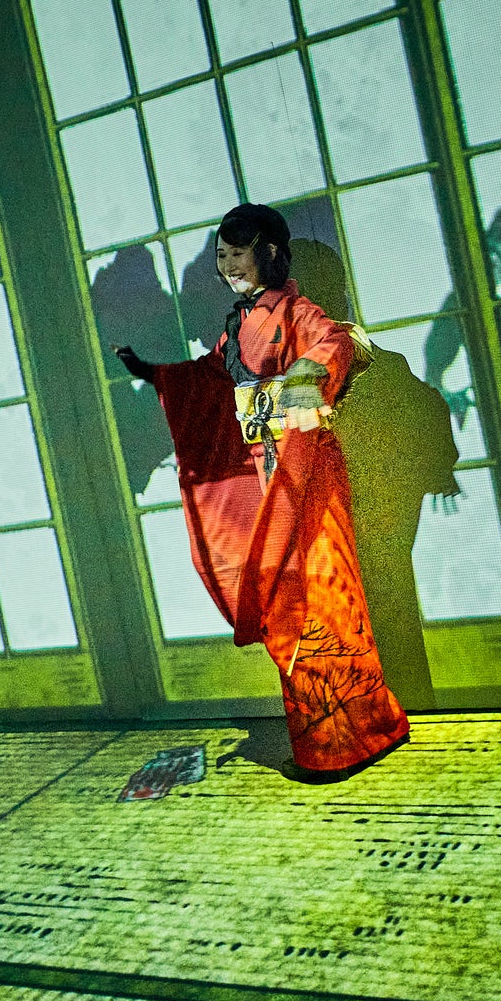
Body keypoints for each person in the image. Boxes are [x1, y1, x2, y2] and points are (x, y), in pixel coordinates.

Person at [115, 203, 411, 781]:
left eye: (238, 253)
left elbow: (333, 342)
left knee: (319, 596)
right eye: (221, 256)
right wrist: (157, 374)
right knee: (283, 597)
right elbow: (211, 378)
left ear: (270, 254)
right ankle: (365, 725)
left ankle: (341, 743)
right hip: (264, 472)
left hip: (306, 470)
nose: (228, 265)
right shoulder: (237, 325)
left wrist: (305, 375)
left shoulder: (296, 311)